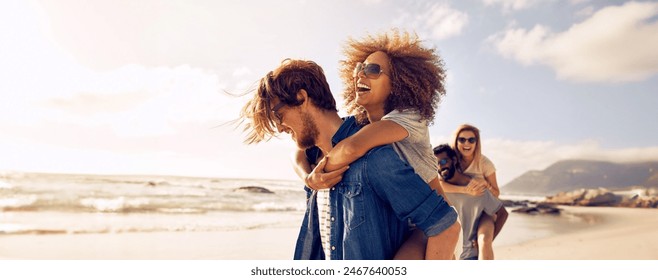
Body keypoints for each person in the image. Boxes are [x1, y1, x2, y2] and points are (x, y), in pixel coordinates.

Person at [239, 58, 459, 260]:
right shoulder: (314, 161)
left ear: (301, 97)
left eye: (278, 115)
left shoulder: (373, 157)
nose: (279, 127)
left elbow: (445, 225)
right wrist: (308, 178)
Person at [293, 30, 457, 260]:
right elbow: (301, 152)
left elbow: (350, 149)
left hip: (426, 227)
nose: (361, 74)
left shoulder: (409, 118)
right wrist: (307, 177)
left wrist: (319, 176)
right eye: (359, 68)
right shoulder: (362, 123)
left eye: (372, 70)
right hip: (397, 225)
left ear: (399, 83)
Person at [439, 124, 507, 260]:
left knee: (484, 241)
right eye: (462, 139)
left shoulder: (484, 163)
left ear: (477, 143)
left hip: (485, 211)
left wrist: (485, 185)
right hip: (466, 206)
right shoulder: (451, 159)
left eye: (471, 140)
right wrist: (465, 190)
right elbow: (441, 184)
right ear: (456, 141)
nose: (466, 143)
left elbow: (496, 192)